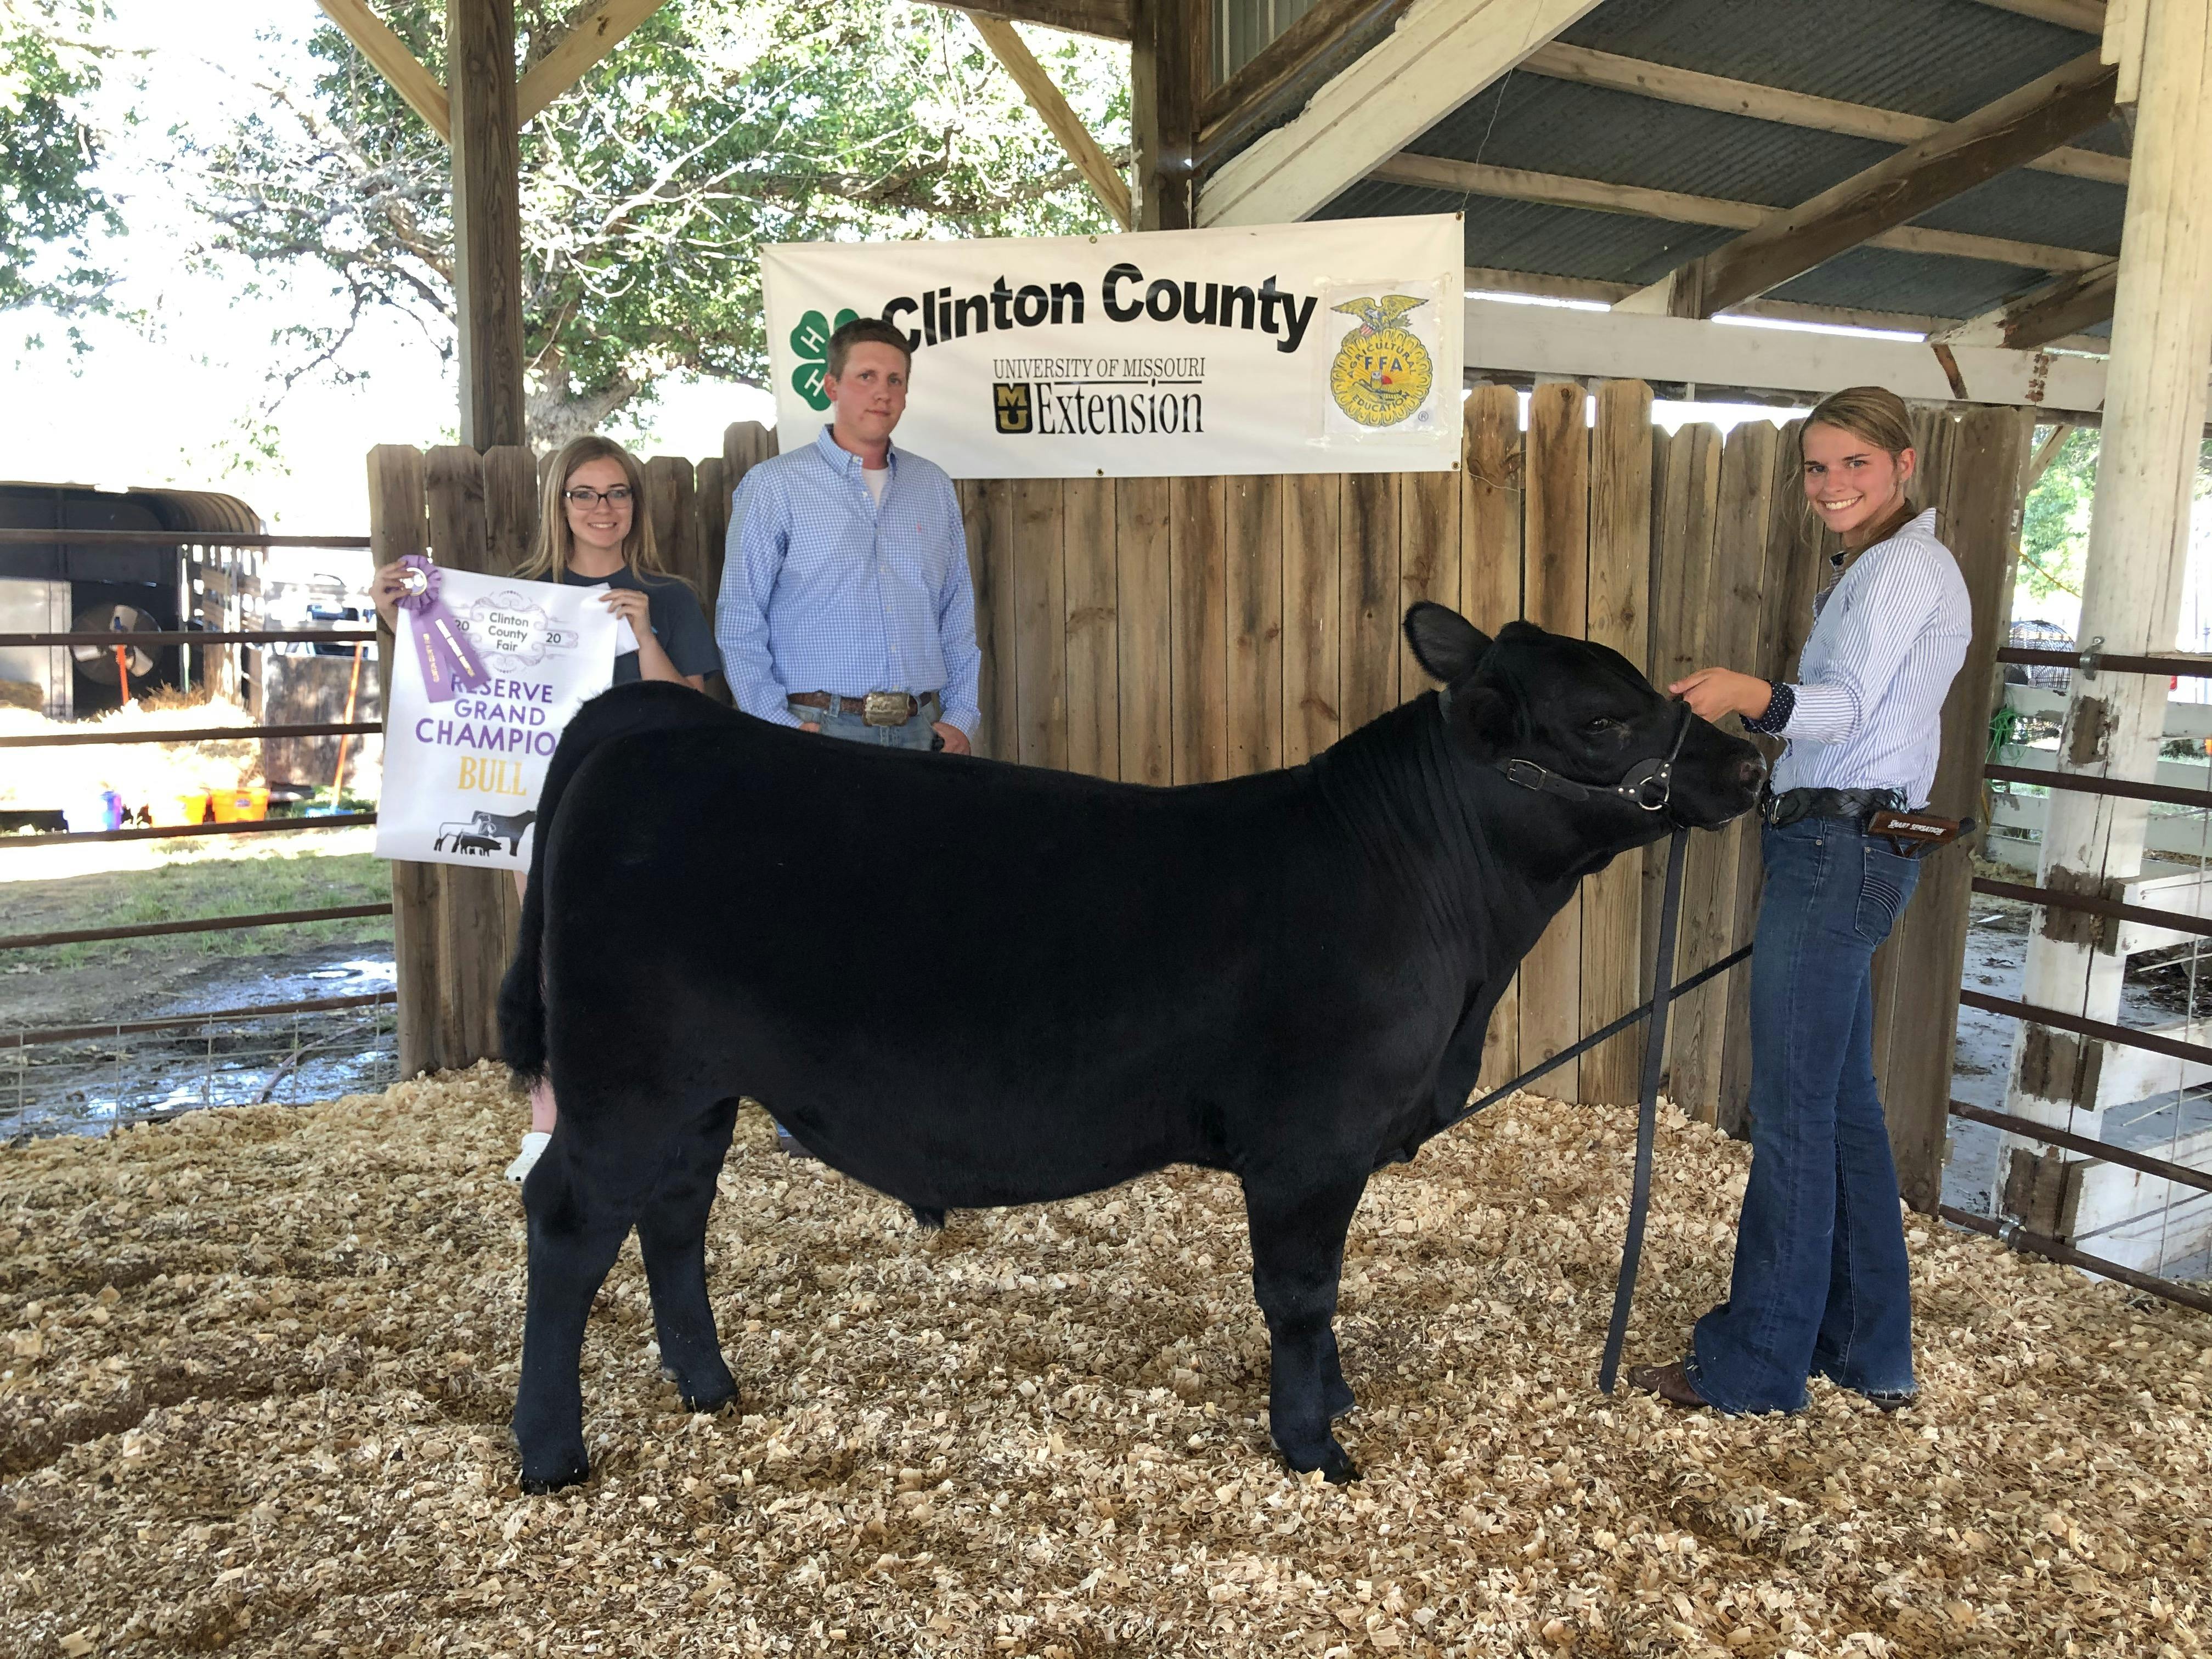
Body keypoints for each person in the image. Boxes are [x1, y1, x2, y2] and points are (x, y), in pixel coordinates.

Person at [1629, 385, 1970, 1417]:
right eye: (1816, 468)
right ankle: (1866, 1349)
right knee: (1842, 1110)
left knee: (1789, 1114)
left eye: (1854, 465)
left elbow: (1847, 710)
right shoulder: (1883, 569)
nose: (1830, 487)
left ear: (1903, 466)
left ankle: (1755, 1367)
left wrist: (1754, 697)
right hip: (1844, 841)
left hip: (1837, 847)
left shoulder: (1905, 568)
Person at [372, 435, 720, 1181]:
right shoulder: (524, 595)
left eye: (618, 492)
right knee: (550, 959)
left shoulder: (669, 595)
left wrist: (643, 633)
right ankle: (548, 1120)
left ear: (636, 503)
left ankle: (648, 1115)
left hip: (648, 807)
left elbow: (689, 706)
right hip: (547, 809)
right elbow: (463, 684)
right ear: (559, 504)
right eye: (585, 494)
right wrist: (401, 617)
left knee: (655, 961)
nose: (603, 508)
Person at [715, 314, 982, 1153]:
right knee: (815, 915)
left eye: (896, 380)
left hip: (917, 736)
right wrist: (771, 725)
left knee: (918, 911)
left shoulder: (932, 488)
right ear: (829, 385)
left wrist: (962, 717)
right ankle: (809, 1105)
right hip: (816, 730)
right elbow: (738, 624)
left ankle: (902, 1093)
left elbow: (959, 619)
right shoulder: (775, 488)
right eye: (866, 377)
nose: (883, 393)